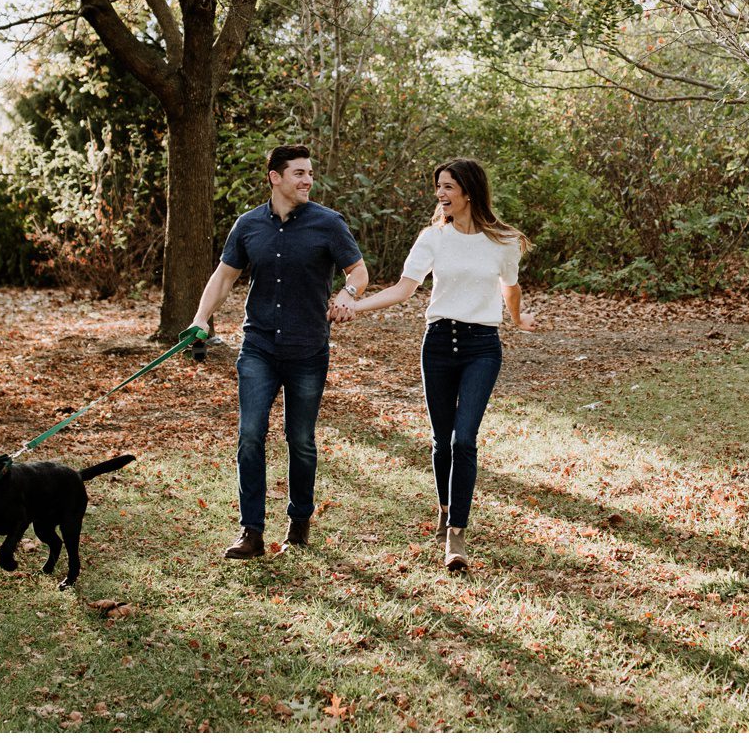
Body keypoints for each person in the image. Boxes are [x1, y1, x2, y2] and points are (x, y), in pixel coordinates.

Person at [335, 158, 535, 572]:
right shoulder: (432, 238)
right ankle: (444, 507)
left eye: (448, 187)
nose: (441, 195)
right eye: (438, 187)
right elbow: (404, 289)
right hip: (439, 343)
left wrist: (517, 318)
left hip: (482, 345)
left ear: (469, 191)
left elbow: (510, 288)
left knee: (465, 440)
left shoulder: (503, 242)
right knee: (442, 440)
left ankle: (456, 534)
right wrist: (357, 305)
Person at [187, 145, 368, 559]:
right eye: (299, 173)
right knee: (250, 436)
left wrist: (347, 293)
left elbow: (358, 270)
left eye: (309, 173)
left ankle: (299, 519)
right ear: (275, 177)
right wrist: (201, 318)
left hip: (308, 348)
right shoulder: (248, 225)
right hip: (259, 347)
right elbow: (223, 277)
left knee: (300, 439)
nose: (307, 180)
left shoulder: (328, 223)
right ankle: (251, 531)